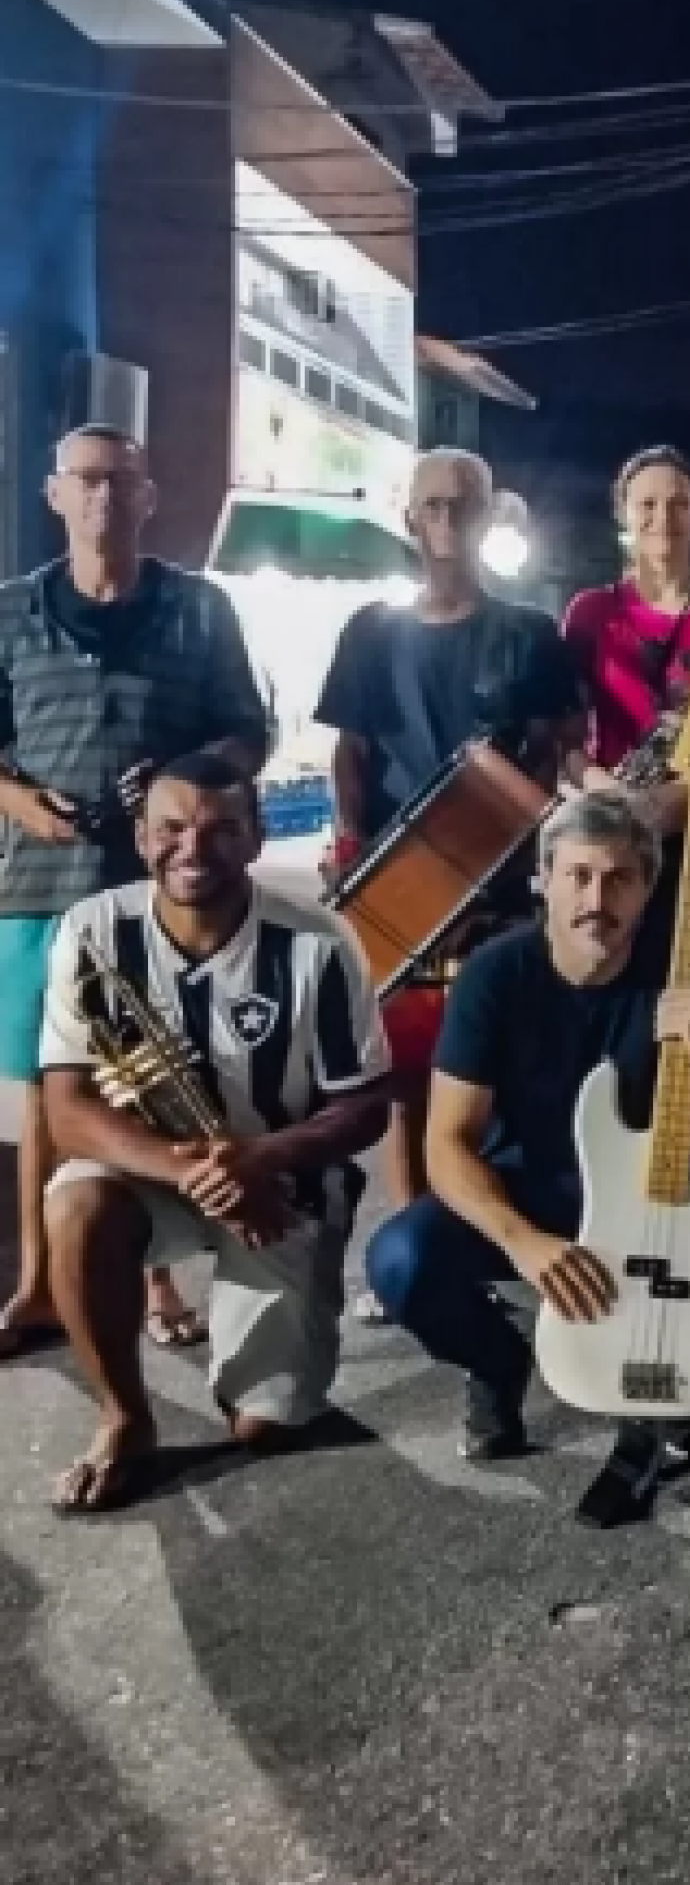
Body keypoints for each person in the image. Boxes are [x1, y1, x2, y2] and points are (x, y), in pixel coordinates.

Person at [363, 788, 690, 1521]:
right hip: (524, 1190)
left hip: (634, 1190)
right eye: (580, 876)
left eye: (620, 877)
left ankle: (671, 1358)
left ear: (647, 886)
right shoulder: (495, 975)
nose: (599, 897)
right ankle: (496, 1364)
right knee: (401, 1258)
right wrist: (524, 1243)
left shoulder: (678, 969)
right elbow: (445, 1140)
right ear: (545, 877)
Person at [36, 752, 390, 1510]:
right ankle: (124, 1417)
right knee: (74, 1203)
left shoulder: (319, 940)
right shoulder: (93, 930)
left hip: (282, 1186)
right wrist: (192, 1168)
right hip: (155, 1174)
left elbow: (364, 1106)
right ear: (141, 836)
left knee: (264, 1424)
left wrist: (259, 1159)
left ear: (256, 838)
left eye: (220, 829)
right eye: (171, 827)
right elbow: (66, 1108)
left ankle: (261, 1362)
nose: (192, 848)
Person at [0, 425, 271, 1362]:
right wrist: (19, 799)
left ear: (148, 495)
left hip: (164, 891)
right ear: (55, 494)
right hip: (37, 888)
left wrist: (182, 783)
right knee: (46, 1089)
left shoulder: (199, 609)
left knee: (156, 1075)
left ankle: (151, 1277)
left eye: (121, 479)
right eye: (86, 479)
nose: (103, 495)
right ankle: (37, 1282)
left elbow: (247, 731)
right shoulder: (10, 611)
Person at [316, 447, 581, 1222]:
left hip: (505, 876)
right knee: (407, 1073)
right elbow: (350, 751)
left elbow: (563, 745)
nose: (446, 519)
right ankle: (413, 1229)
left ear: (487, 515)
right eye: (431, 504)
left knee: (510, 1058)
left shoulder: (529, 632)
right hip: (400, 881)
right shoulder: (371, 632)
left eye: (462, 503)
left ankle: (507, 1223)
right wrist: (347, 848)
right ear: (408, 517)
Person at [561, 444, 690, 1004]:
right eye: (646, 504)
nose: (663, 519)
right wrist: (611, 793)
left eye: (678, 503)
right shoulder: (589, 612)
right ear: (623, 514)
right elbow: (562, 734)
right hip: (616, 825)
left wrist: (685, 794)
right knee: (618, 997)